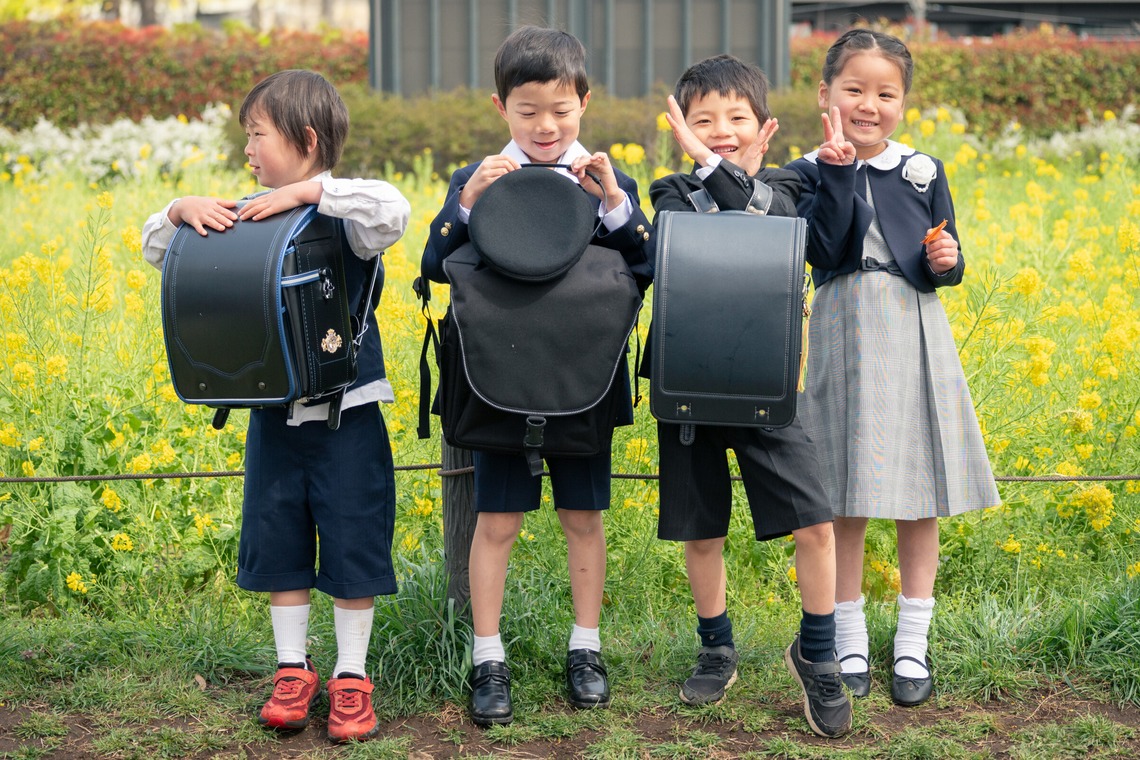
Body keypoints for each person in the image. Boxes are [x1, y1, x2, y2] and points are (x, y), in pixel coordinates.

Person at [142, 69, 411, 742]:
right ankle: (294, 670)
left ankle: (352, 676)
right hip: (273, 417)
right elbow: (156, 247)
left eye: (257, 135)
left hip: (349, 415)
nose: (249, 151)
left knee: (354, 540)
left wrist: (309, 192)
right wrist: (180, 209)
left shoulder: (347, 216)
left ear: (307, 139)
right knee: (279, 541)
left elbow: (394, 209)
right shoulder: (241, 215)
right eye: (247, 138)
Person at [421, 25, 654, 726]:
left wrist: (615, 201)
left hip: (584, 376)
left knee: (584, 517)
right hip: (500, 379)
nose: (545, 125)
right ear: (501, 108)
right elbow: (434, 268)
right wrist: (465, 206)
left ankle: (587, 648)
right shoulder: (480, 178)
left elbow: (644, 266)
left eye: (560, 109)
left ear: (584, 101)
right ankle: (487, 657)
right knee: (496, 522)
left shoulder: (606, 181)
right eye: (527, 112)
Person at [786, 30, 1000, 707]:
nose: (869, 104)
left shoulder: (924, 169)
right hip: (844, 324)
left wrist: (948, 261)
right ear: (826, 95)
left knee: (918, 489)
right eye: (854, 90)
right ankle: (847, 634)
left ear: (903, 100)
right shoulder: (812, 168)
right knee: (842, 487)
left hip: (913, 327)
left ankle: (913, 637)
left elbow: (947, 257)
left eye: (886, 93)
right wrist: (840, 171)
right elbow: (825, 247)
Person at [645, 54, 852, 739]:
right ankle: (716, 645)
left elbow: (765, 223)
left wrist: (711, 160)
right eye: (702, 121)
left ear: (765, 130)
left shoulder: (788, 188)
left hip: (768, 385)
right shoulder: (672, 191)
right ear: (681, 129)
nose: (719, 132)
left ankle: (817, 652)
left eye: (735, 120)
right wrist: (703, 166)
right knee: (702, 529)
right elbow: (704, 233)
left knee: (814, 521)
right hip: (691, 385)